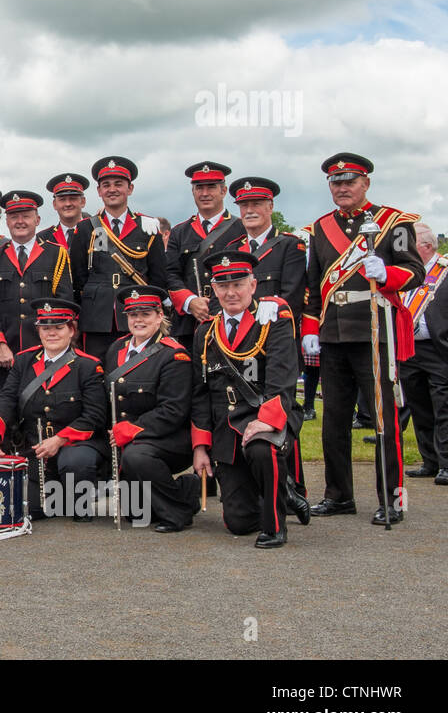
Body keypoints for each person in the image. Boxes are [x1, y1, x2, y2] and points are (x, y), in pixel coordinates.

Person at [302, 153, 422, 525]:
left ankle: (393, 497)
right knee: (333, 420)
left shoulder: (393, 224)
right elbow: (313, 287)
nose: (342, 188)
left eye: (349, 181)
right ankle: (339, 495)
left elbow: (415, 271)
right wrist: (310, 331)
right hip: (334, 334)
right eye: (335, 183)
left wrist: (386, 272)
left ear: (365, 183)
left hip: (375, 332)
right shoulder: (320, 228)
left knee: (384, 420)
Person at [191, 251, 307, 548]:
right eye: (223, 286)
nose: (231, 293)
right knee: (238, 523)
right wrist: (201, 446)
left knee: (262, 447)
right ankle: (284, 491)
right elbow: (200, 393)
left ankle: (275, 527)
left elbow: (283, 378)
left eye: (238, 284)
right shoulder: (205, 332)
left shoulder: (272, 318)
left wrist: (265, 420)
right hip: (227, 427)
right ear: (213, 290)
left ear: (253, 286)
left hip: (268, 413)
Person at [0, 297, 107, 521]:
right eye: (45, 328)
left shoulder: (88, 366)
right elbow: (7, 399)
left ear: (72, 330)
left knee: (75, 467)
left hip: (74, 446)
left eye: (58, 328)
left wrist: (59, 439)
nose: (52, 333)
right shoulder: (23, 361)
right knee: (27, 509)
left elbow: (94, 417)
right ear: (38, 331)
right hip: (34, 448)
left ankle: (80, 499)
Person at [229, 177, 309, 493]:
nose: (250, 211)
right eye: (244, 206)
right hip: (243, 342)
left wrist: (269, 306)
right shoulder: (233, 249)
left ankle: (294, 484)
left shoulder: (289, 245)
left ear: (270, 207)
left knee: (282, 407)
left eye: (256, 205)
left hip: (277, 342)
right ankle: (260, 482)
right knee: (249, 406)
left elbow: (293, 292)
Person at [103, 286, 200, 532]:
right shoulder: (117, 349)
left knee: (137, 457)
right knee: (135, 514)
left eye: (146, 313)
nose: (139, 320)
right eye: (133, 314)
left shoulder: (173, 355)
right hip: (128, 440)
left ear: (160, 316)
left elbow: (173, 410)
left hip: (168, 438)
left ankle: (178, 514)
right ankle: (184, 491)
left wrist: (133, 430)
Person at [69, 157, 168, 361]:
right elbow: (78, 277)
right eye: (106, 185)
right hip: (97, 317)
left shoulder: (147, 227)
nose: (112, 189)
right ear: (98, 191)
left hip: (136, 314)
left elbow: (158, 277)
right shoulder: (86, 228)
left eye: (118, 184)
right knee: (95, 371)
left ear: (130, 189)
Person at [0, 190, 73, 371]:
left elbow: (65, 302)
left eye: (26, 216)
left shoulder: (56, 253)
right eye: (14, 217)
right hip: (6, 352)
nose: (20, 221)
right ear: (7, 222)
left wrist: (53, 344)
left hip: (47, 348)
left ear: (37, 220)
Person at [164, 162, 244, 350]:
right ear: (193, 192)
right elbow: (170, 274)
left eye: (212, 187)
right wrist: (190, 302)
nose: (205, 193)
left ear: (224, 191)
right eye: (199, 188)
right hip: (189, 324)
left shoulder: (241, 228)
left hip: (231, 318)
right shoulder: (179, 232)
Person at [397, 222, 448, 485]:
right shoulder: (409, 274)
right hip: (410, 348)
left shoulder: (446, 271)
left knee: (444, 407)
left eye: (411, 243)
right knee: (419, 406)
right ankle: (429, 460)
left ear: (426, 246)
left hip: (439, 348)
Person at [37, 172, 92, 250]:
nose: (68, 204)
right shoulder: (43, 239)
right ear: (54, 204)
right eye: (62, 200)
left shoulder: (97, 232)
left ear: (83, 202)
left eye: (73, 199)